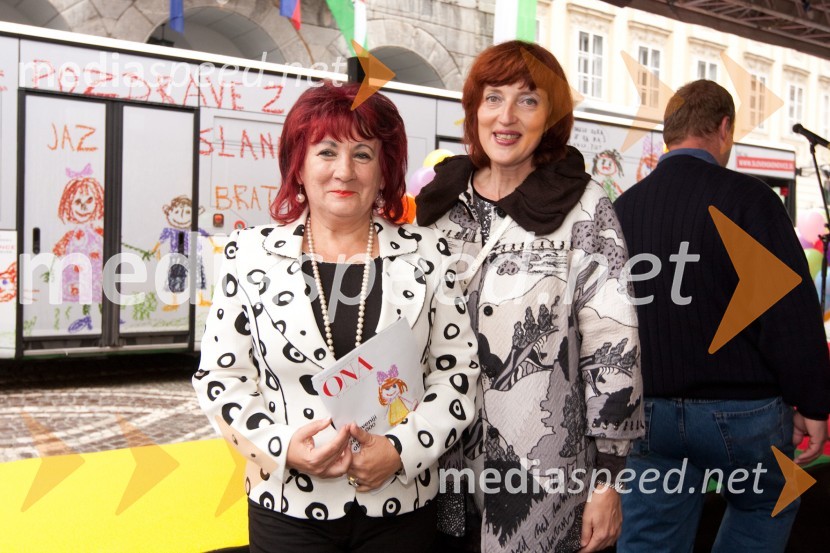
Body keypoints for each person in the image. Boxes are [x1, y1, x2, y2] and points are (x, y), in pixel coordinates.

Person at [193, 81, 480, 553]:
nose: (343, 171)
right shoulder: (249, 255)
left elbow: (457, 375)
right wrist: (282, 447)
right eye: (326, 152)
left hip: (400, 505)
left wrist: (401, 450)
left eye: (363, 154)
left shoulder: (430, 256)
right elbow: (222, 376)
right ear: (298, 167)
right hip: (286, 507)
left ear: (385, 171)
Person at [416, 41, 643, 553]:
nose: (507, 116)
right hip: (438, 464)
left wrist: (608, 480)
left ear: (551, 117)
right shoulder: (442, 205)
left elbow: (614, 341)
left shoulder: (583, 207)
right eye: (493, 98)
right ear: (474, 110)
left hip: (542, 469)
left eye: (529, 100)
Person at [614, 79, 830, 552]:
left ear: (668, 132)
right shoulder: (749, 200)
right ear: (725, 128)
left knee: (651, 535)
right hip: (742, 414)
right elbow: (788, 313)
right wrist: (813, 402)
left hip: (648, 414)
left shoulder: (622, 210)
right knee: (767, 501)